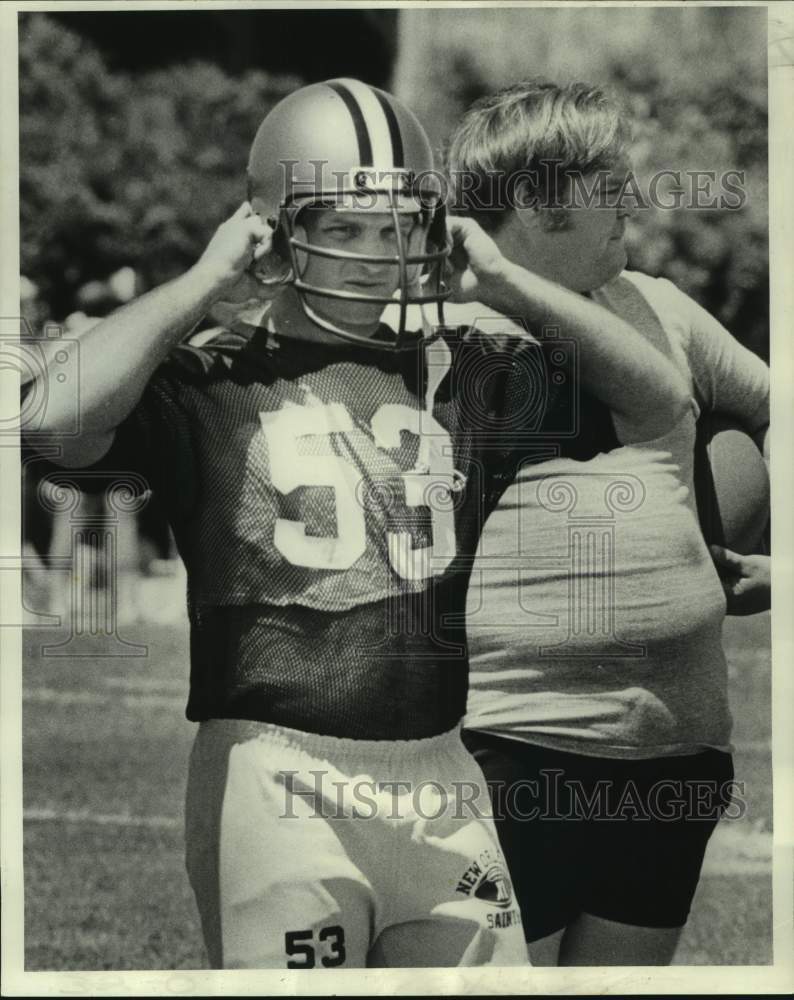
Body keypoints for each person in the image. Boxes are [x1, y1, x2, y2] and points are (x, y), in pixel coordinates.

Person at [26, 78, 688, 969]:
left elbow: (659, 401)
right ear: (271, 230)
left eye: (396, 228)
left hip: (444, 778)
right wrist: (202, 281)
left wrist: (506, 280)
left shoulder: (468, 369)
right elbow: (50, 419)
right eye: (343, 228)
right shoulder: (208, 378)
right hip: (276, 772)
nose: (374, 257)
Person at [446, 80, 770, 966]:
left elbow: (776, 406)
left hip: (677, 749)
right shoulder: (444, 332)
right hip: (510, 744)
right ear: (536, 202)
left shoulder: (660, 308)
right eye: (607, 180)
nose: (633, 197)